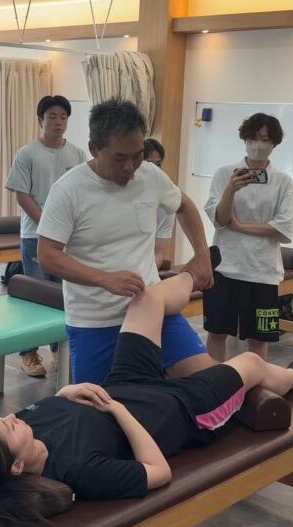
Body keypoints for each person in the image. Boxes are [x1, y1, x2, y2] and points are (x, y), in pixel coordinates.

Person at [0, 271, 293, 527]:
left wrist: (66, 392)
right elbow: (158, 472)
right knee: (251, 363)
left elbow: (54, 410)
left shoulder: (26, 426)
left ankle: (193, 275)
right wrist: (119, 410)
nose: (10, 416)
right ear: (17, 466)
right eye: (6, 427)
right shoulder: (79, 469)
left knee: (145, 300)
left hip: (127, 382)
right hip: (184, 409)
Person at [37, 99, 215, 385]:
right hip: (95, 322)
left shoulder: (151, 176)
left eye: (137, 156)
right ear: (95, 148)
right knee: (99, 405)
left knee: (207, 382)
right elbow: (48, 255)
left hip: (152, 310)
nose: (130, 167)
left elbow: (185, 205)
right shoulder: (68, 190)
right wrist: (105, 279)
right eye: (119, 158)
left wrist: (202, 254)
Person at [5, 95, 87, 377]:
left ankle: (57, 348)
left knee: (65, 294)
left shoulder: (77, 154)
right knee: (36, 296)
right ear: (40, 120)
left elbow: (82, 192)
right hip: (34, 235)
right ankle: (28, 353)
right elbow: (22, 194)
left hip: (69, 238)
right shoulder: (27, 153)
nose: (58, 122)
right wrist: (48, 224)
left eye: (63, 117)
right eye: (52, 116)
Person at [203, 113, 293, 361]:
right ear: (245, 139)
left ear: (274, 144)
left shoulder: (283, 182)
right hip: (226, 267)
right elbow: (220, 219)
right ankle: (213, 380)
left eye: (265, 140)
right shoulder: (225, 174)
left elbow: (282, 228)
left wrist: (241, 226)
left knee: (260, 337)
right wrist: (231, 189)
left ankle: (255, 381)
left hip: (263, 271)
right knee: (217, 332)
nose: (259, 145)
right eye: (254, 138)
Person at [143, 138, 175, 271]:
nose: (155, 171)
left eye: (158, 165)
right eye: (149, 164)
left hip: (144, 272)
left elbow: (159, 253)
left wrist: (146, 276)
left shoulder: (167, 204)